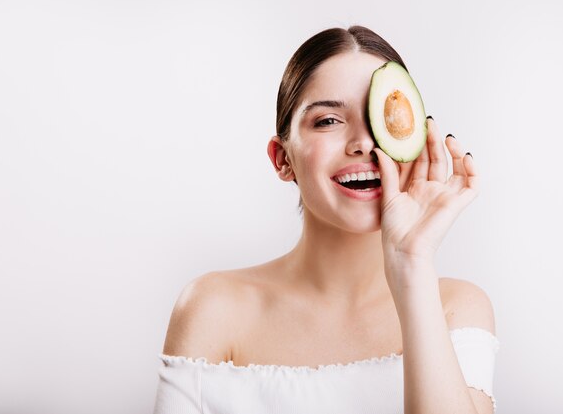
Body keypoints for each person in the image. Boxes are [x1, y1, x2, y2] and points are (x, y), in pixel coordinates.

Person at [153, 25, 498, 414]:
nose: (364, 143)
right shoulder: (212, 307)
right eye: (329, 121)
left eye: (386, 117)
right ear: (283, 159)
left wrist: (411, 264)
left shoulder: (457, 307)